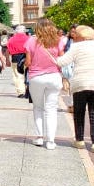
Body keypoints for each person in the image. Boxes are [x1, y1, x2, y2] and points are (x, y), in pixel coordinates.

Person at [56, 26, 94, 152]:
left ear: (81, 36)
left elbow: (62, 62)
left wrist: (52, 55)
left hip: (80, 84)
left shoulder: (76, 47)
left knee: (79, 113)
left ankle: (80, 140)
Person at [24, 18, 64, 150]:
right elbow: (62, 60)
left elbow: (28, 62)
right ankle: (51, 141)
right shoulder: (58, 41)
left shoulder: (31, 41)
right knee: (51, 109)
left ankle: (39, 137)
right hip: (54, 77)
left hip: (36, 77)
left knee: (38, 107)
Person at [7, 25, 30, 98]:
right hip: (27, 57)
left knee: (17, 75)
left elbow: (7, 50)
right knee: (27, 74)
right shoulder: (29, 38)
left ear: (16, 31)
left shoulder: (11, 39)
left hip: (15, 58)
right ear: (24, 31)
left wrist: (7, 60)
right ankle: (28, 90)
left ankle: (21, 92)